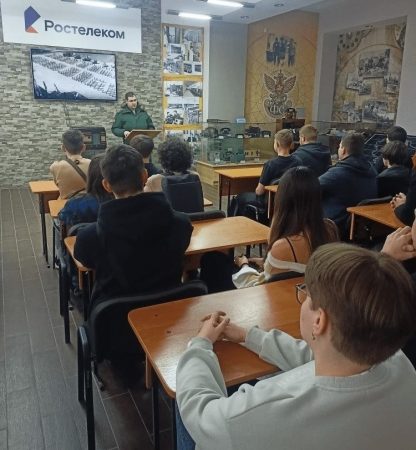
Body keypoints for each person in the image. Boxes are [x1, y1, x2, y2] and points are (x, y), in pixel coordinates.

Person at [176, 243, 416, 450]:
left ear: (319, 321)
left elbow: (200, 415)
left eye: (306, 295)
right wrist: (248, 336)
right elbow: (317, 355)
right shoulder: (401, 365)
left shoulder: (262, 412)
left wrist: (200, 345)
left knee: (181, 398)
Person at [73, 145, 193, 308]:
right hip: (171, 312)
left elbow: (84, 260)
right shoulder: (182, 224)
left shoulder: (89, 237)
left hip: (116, 318)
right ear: (144, 176)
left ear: (106, 185)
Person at [202, 167, 339, 292]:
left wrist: (244, 265)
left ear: (283, 199)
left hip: (267, 298)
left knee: (212, 260)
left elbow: (260, 287)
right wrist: (266, 262)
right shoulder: (330, 228)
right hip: (308, 294)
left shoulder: (283, 246)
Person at [319, 131, 377, 233]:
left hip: (335, 226)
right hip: (361, 227)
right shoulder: (372, 169)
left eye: (340, 146)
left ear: (343, 150)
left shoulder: (338, 173)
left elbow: (310, 187)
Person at [58, 154, 112, 230]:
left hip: (80, 237)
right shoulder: (122, 204)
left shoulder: (74, 204)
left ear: (90, 175)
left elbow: (62, 218)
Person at [255, 129, 301, 196]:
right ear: (291, 144)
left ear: (277, 144)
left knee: (243, 196)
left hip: (272, 200)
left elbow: (259, 192)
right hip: (292, 200)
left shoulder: (270, 164)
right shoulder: (298, 162)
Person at [50, 129, 90, 199]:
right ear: (84, 147)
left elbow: (58, 185)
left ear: (63, 148)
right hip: (89, 203)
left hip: (67, 204)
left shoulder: (55, 166)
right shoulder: (92, 164)